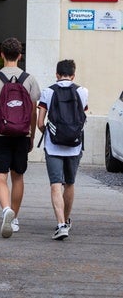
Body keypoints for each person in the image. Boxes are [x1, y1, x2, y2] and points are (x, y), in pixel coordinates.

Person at [0, 37, 40, 238]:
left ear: (1, 55)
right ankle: (14, 219)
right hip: (22, 133)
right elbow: (31, 111)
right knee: (18, 176)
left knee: (0, 176)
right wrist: (31, 133)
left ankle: (6, 209)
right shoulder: (29, 79)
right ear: (20, 56)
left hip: (0, 132)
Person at [37, 59, 88, 240]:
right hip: (74, 146)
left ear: (56, 74)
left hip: (53, 146)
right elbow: (83, 117)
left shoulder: (48, 91)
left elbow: (39, 123)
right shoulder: (82, 91)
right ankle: (66, 220)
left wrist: (52, 134)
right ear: (73, 75)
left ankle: (60, 225)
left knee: (55, 184)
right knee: (70, 183)